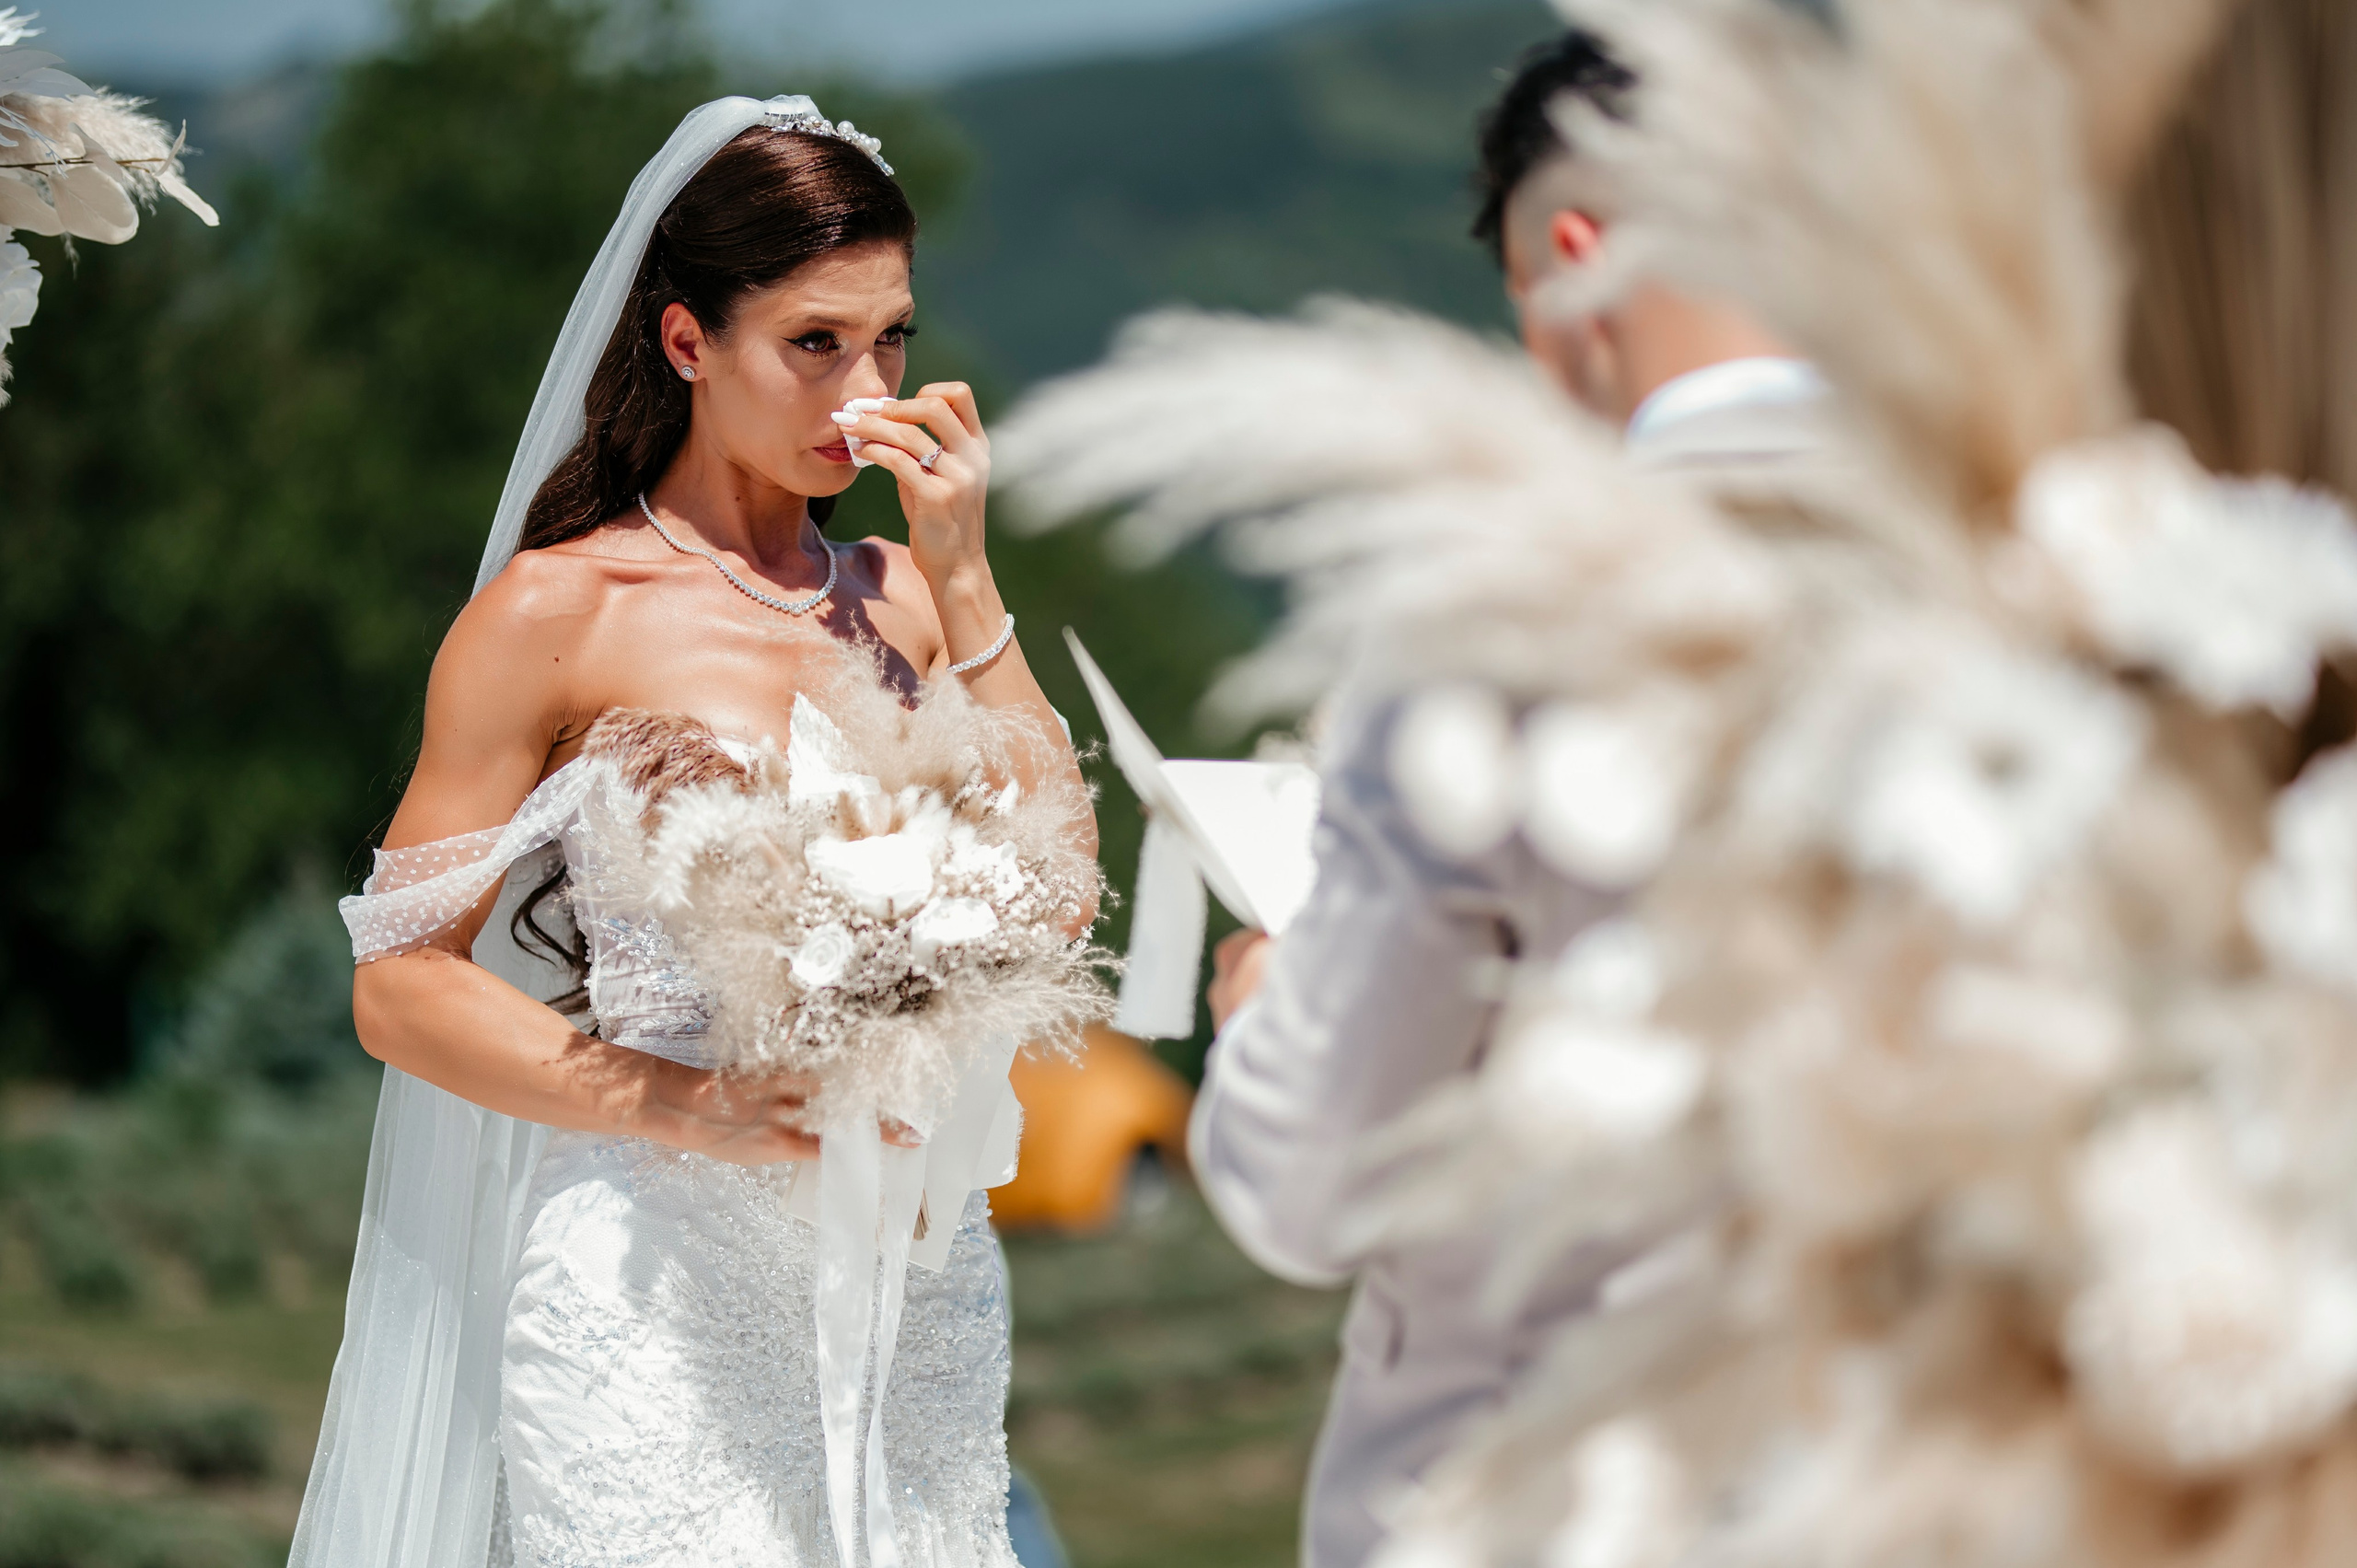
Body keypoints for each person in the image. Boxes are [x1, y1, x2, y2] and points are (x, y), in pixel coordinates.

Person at [289, 97, 1093, 1568]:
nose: (866, 392)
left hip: (906, 1279)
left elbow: (1057, 899)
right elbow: (399, 982)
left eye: (893, 339)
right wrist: (678, 1104)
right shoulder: (555, 614)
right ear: (683, 343)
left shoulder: (903, 599)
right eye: (815, 344)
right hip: (646, 1298)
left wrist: (966, 581)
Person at [1187, 31, 1829, 1568]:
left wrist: (1270, 999)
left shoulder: (1507, 617)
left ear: (1573, 252)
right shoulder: (2047, 544)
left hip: (1556, 1493)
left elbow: (1315, 1181)